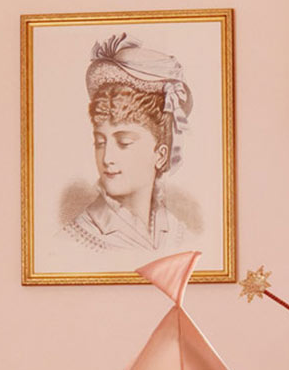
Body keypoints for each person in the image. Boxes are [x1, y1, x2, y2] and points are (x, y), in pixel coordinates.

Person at [61, 34, 193, 253]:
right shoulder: (75, 239)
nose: (107, 158)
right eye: (100, 142)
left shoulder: (179, 234)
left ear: (160, 154)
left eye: (124, 142)